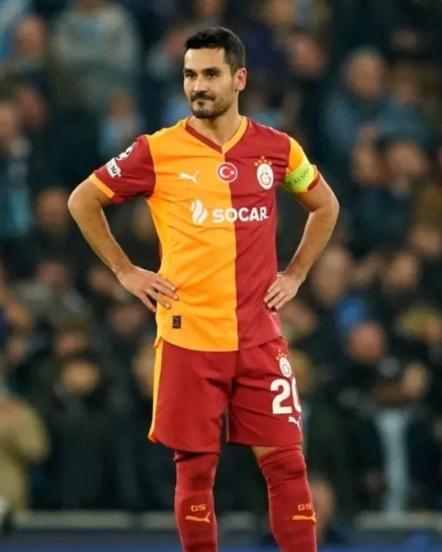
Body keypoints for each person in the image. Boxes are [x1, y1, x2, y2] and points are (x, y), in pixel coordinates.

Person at [67, 27, 339, 552]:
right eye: (190, 75)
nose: (198, 86)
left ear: (240, 79)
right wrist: (126, 271)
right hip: (188, 336)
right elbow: (83, 200)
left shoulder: (277, 149)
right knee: (195, 470)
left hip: (259, 336)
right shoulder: (157, 151)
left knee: (287, 465)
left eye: (211, 74)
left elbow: (325, 205)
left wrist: (297, 273)